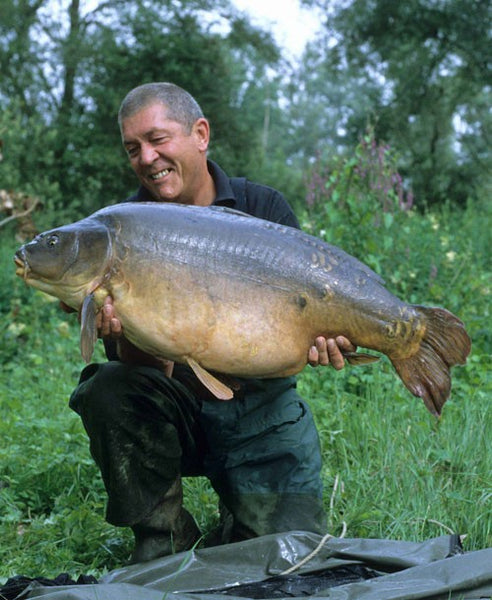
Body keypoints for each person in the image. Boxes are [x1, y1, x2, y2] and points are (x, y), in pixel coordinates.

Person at [68, 82, 356, 564]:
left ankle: (242, 521)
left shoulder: (263, 208)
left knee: (290, 557)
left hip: (260, 414)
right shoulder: (123, 230)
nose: (146, 157)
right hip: (177, 411)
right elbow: (146, 373)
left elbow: (294, 342)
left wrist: (326, 341)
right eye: (132, 147)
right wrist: (122, 330)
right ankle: (165, 536)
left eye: (158, 139)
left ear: (200, 134)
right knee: (110, 387)